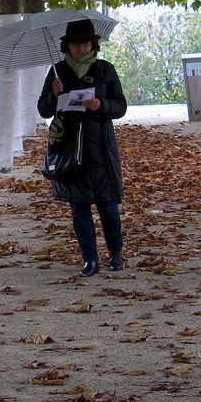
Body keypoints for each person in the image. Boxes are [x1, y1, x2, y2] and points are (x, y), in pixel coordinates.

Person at [37, 19, 127, 276]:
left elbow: (120, 106)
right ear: (68, 45)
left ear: (94, 43)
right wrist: (54, 95)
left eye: (87, 43)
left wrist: (101, 106)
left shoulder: (105, 70)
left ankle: (115, 254)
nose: (82, 48)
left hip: (100, 147)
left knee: (107, 206)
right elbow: (43, 110)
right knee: (79, 208)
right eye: (77, 44)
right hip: (69, 150)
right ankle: (90, 260)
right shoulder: (57, 71)